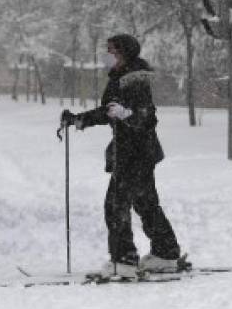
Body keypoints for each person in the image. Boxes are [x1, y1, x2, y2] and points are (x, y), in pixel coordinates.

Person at [59, 33, 187, 278]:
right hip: (135, 153)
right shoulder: (121, 77)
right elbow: (109, 112)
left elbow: (148, 118)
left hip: (134, 154)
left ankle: (124, 260)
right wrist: (79, 120)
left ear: (123, 53)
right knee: (146, 204)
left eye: (110, 50)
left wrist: (128, 114)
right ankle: (166, 253)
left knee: (116, 206)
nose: (106, 55)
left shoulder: (135, 79)